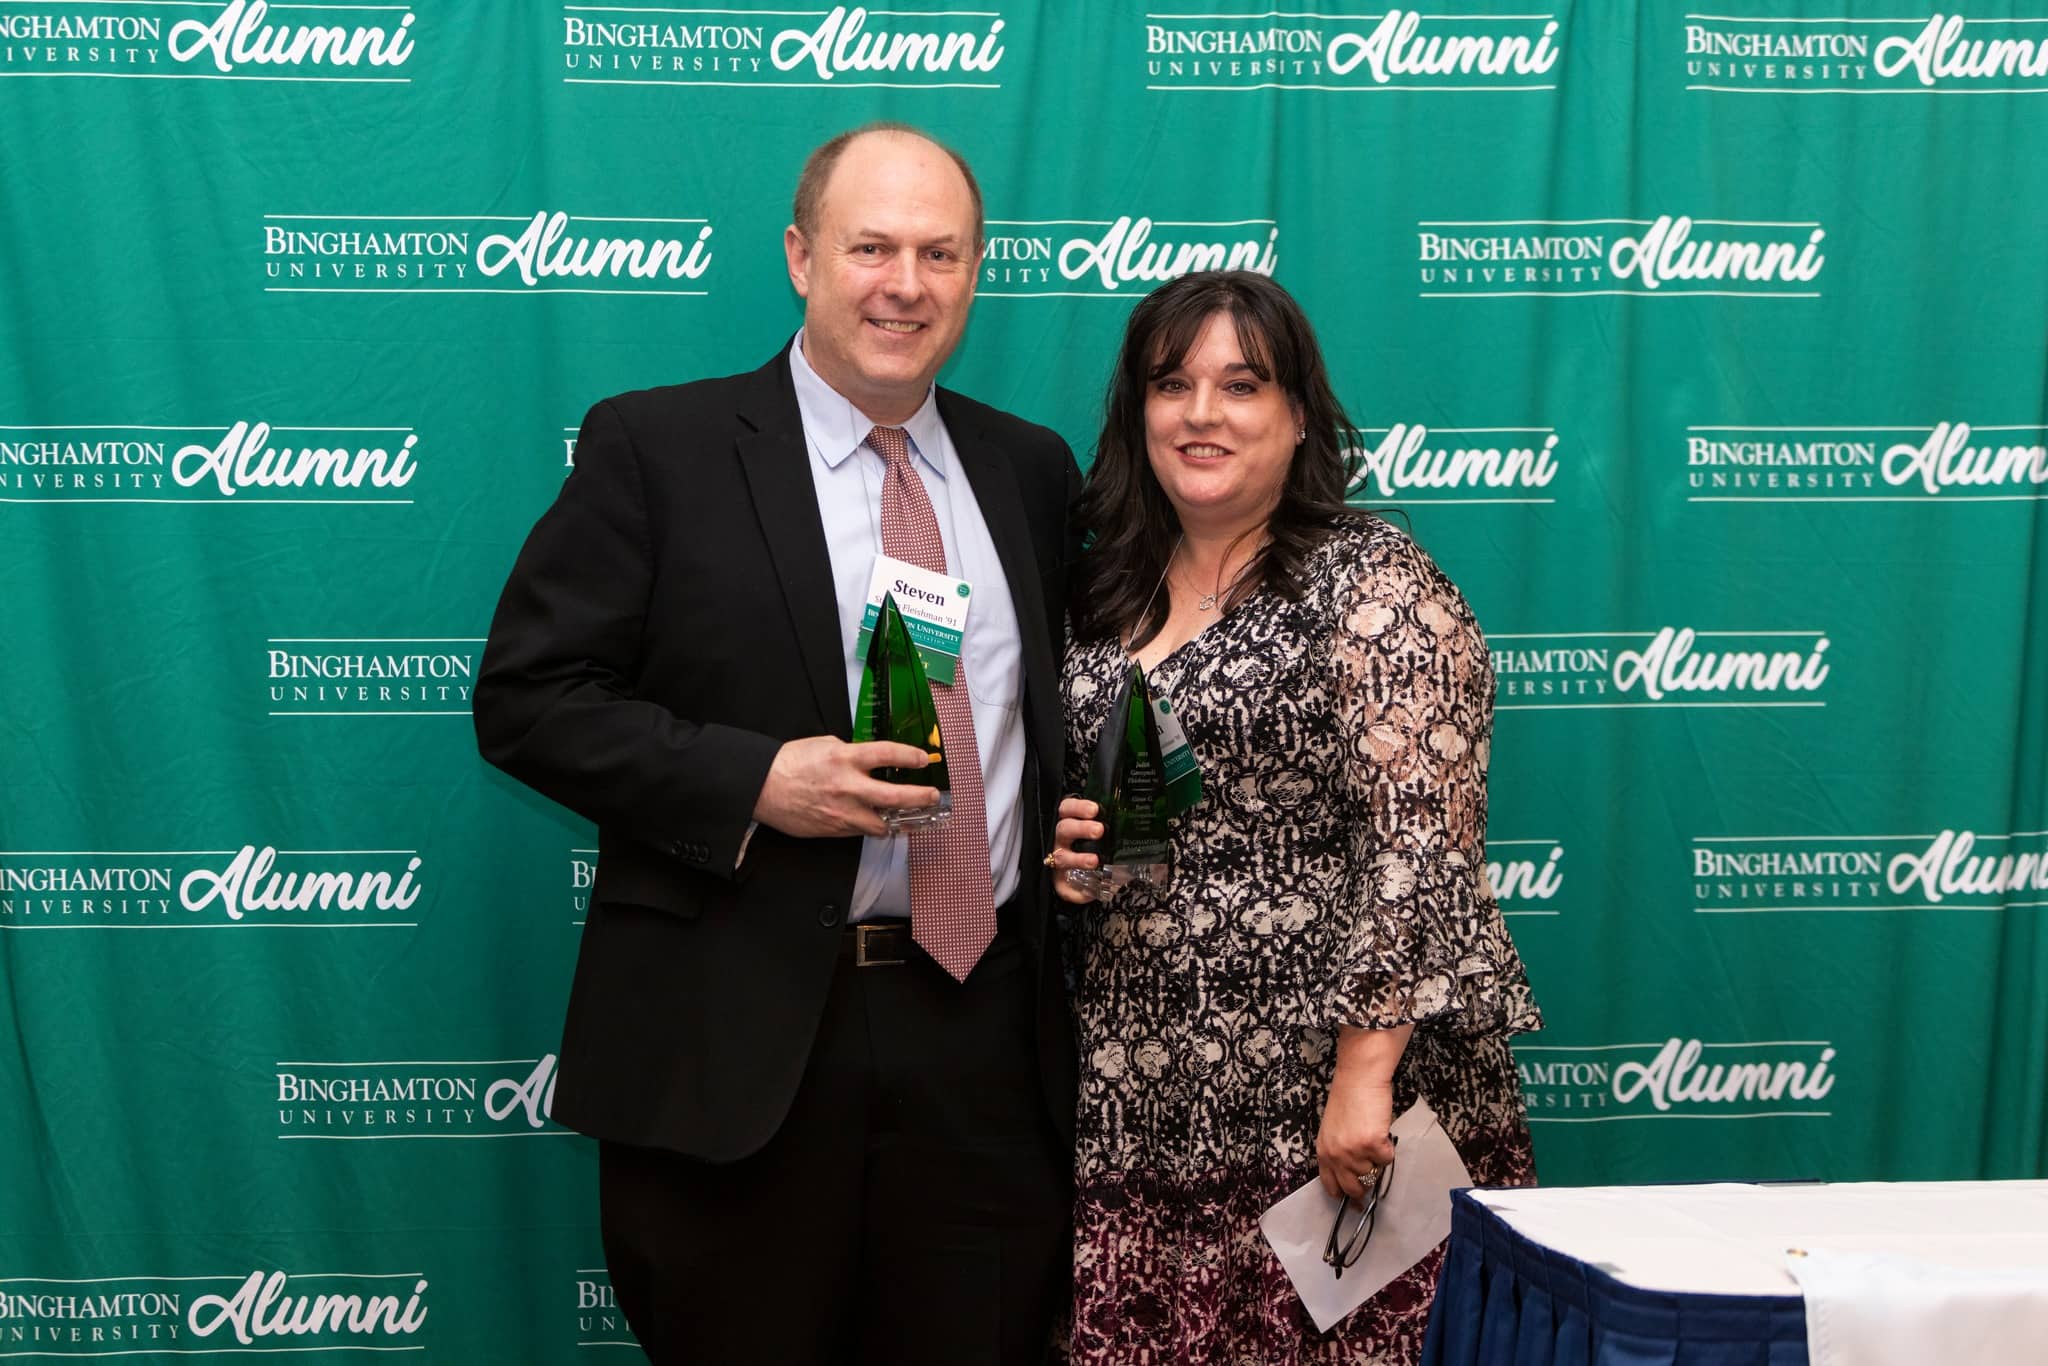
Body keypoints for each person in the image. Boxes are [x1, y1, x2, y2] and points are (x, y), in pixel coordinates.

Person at [474, 123, 1081, 1366]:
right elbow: (529, 698)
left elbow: (1062, 718)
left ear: (975, 274)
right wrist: (755, 779)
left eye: (938, 253)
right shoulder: (658, 448)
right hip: (740, 1056)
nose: (903, 284)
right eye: (870, 247)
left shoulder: (1029, 469)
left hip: (982, 1048)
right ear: (801, 257)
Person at [1048, 270, 1541, 1364]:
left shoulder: (1370, 580)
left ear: (1296, 416)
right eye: (1170, 384)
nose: (1201, 413)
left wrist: (1361, 1081)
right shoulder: (1105, 593)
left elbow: (1422, 841)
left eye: (1241, 385)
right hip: (1145, 1093)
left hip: (1327, 1097)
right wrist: (1075, 864)